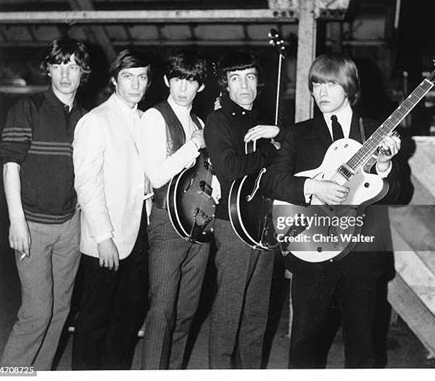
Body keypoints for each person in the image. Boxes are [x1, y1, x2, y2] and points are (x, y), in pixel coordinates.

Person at [263, 53, 401, 368]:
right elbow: (272, 182)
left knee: (363, 346)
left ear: (349, 87)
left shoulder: (375, 130)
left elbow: (400, 191)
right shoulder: (298, 133)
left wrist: (383, 165)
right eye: (316, 85)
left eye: (330, 84)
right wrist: (312, 188)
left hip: (362, 253)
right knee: (304, 345)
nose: (321, 93)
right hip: (311, 247)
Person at [0, 38, 92, 370]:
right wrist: (17, 221)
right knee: (36, 313)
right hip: (33, 226)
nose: (66, 73)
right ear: (49, 69)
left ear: (83, 72)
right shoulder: (28, 109)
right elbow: (11, 166)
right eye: (59, 65)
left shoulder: (86, 118)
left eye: (73, 66)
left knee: (59, 311)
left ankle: (36, 374)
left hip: (69, 228)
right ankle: (8, 375)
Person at [71, 48, 152, 370]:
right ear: (114, 81)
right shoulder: (95, 121)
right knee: (93, 321)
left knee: (126, 321)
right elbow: (87, 183)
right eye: (128, 77)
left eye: (142, 77)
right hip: (106, 240)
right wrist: (103, 237)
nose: (135, 84)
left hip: (138, 235)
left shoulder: (147, 120)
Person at [204, 50, 282, 369]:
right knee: (229, 310)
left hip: (262, 223)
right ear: (226, 85)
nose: (244, 86)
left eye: (249, 77)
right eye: (236, 79)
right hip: (233, 225)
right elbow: (230, 168)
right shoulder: (218, 120)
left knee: (256, 312)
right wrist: (269, 151)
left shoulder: (260, 121)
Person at [139, 49, 212, 369]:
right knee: (162, 312)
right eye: (178, 79)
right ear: (168, 81)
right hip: (166, 224)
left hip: (197, 224)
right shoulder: (154, 117)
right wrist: (195, 144)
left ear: (201, 87)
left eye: (191, 80)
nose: (184, 88)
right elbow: (156, 175)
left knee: (186, 312)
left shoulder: (200, 121)